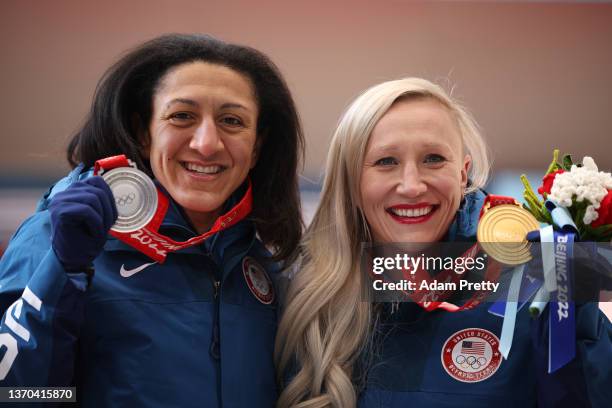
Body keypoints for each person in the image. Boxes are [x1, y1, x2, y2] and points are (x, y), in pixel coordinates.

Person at [0, 33, 303, 407]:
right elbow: (15, 395)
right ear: (143, 133)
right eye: (182, 116)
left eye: (231, 120)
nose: (206, 143)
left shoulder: (263, 269)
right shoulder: (58, 238)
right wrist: (62, 273)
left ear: (256, 147)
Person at [275, 78, 612, 407]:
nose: (411, 186)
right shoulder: (308, 300)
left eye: (433, 159)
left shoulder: (536, 288)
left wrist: (578, 312)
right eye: (386, 161)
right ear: (352, 181)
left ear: (463, 172)